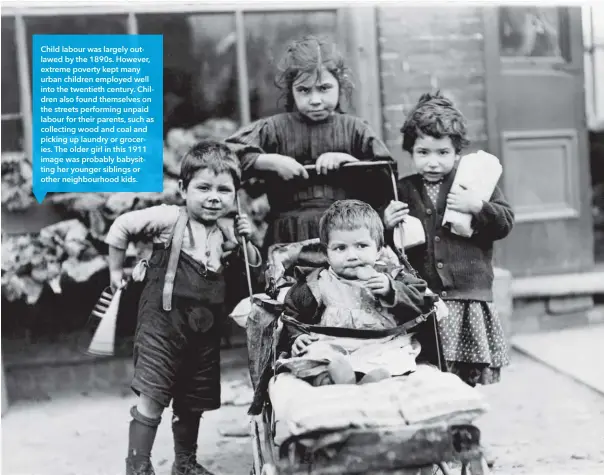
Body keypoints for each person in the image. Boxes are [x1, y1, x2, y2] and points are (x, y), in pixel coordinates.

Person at [105, 140, 261, 475]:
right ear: (182, 188)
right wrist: (116, 272)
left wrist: (246, 239)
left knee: (193, 399)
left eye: (224, 189)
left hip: (203, 331)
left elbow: (252, 272)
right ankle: (138, 466)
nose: (213, 197)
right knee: (153, 393)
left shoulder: (227, 232)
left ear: (235, 195)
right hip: (162, 326)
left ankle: (185, 463)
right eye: (203, 187)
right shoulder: (168, 219)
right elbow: (120, 228)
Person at [383, 91, 515, 465]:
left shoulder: (476, 183)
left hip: (465, 297)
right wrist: (386, 222)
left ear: (457, 151)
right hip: (425, 301)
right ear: (410, 151)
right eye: (423, 152)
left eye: (442, 152)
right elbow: (388, 245)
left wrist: (480, 207)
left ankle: (464, 439)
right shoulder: (403, 190)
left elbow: (505, 223)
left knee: (462, 375)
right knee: (428, 373)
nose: (433, 161)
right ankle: (432, 441)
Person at [226, 35, 395, 255]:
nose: (315, 99)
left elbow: (387, 178)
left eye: (324, 88)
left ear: (340, 85)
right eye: (304, 90)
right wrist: (267, 161)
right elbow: (223, 156)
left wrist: (350, 162)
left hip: (346, 235)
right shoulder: (273, 128)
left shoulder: (356, 130)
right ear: (291, 90)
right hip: (286, 236)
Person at [280, 199, 444, 386]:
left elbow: (422, 301)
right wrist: (297, 336)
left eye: (361, 246)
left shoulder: (391, 275)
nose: (352, 256)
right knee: (315, 354)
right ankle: (332, 379)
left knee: (394, 357)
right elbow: (292, 313)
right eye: (340, 248)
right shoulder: (318, 283)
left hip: (381, 344)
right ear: (327, 254)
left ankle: (374, 379)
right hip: (334, 345)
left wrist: (391, 290)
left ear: (379, 251)